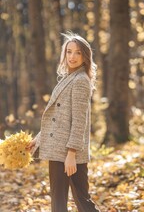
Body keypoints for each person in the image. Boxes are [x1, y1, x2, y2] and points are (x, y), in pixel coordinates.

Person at [27, 31, 100, 212]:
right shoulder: (68, 78)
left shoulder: (81, 80)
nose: (72, 57)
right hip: (58, 150)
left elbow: (79, 121)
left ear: (85, 56)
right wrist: (38, 139)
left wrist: (72, 154)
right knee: (62, 203)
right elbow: (57, 118)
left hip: (69, 154)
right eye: (69, 51)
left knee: (81, 202)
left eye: (78, 52)